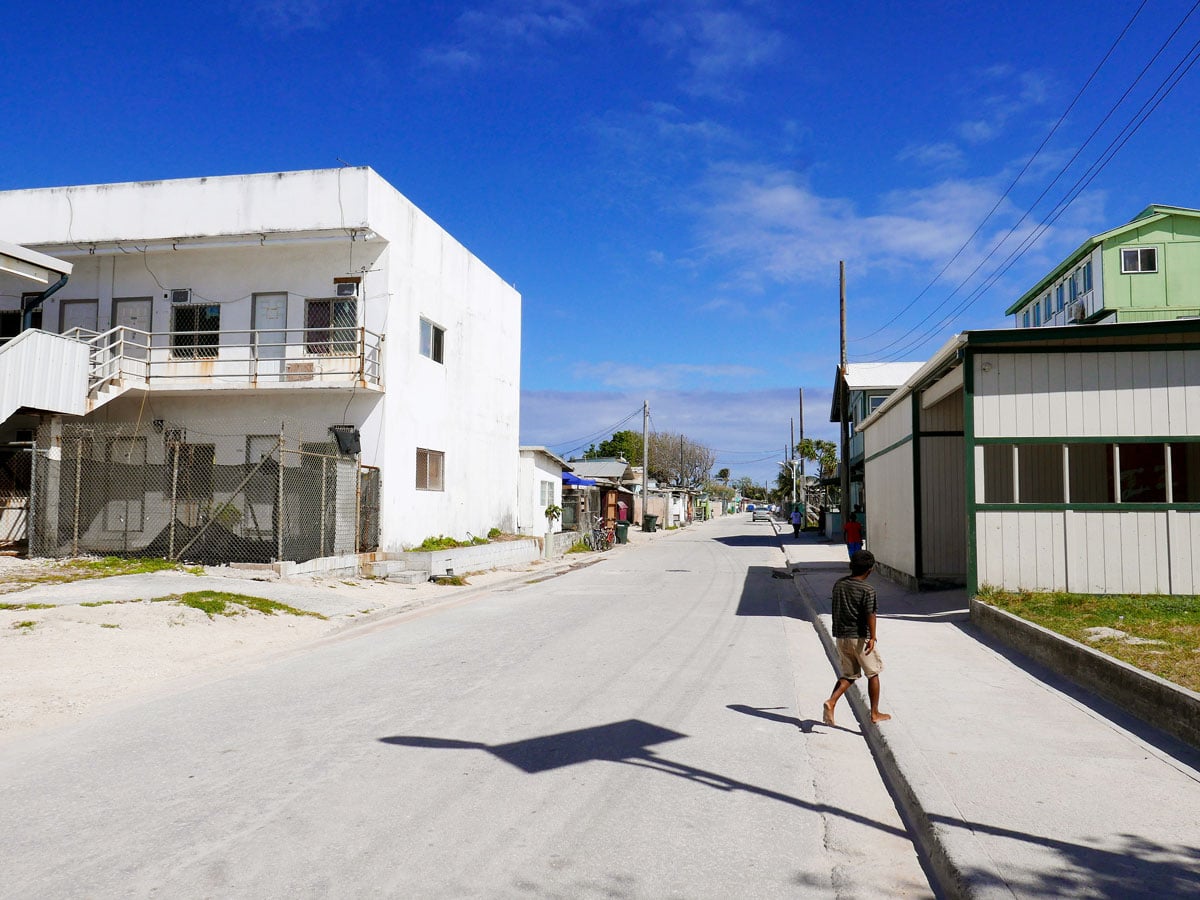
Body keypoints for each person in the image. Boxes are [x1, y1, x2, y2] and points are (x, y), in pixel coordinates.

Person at [823, 549, 890, 726]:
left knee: (849, 675)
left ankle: (831, 702)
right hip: (859, 637)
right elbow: (871, 614)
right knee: (873, 673)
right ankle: (875, 713)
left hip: (841, 636)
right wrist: (873, 637)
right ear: (870, 570)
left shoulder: (839, 584)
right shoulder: (867, 589)